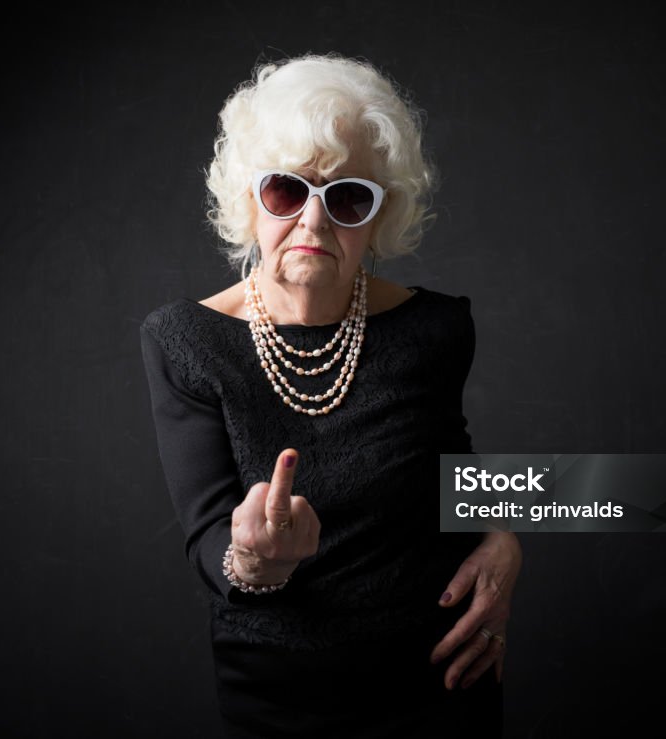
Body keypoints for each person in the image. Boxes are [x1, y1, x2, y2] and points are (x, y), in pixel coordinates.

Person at [140, 53, 522, 738]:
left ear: (380, 217)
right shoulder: (184, 340)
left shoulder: (435, 328)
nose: (314, 221)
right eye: (287, 191)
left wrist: (505, 536)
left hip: (440, 683)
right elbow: (206, 535)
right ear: (249, 200)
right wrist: (251, 558)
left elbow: (449, 469)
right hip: (280, 697)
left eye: (348, 197)